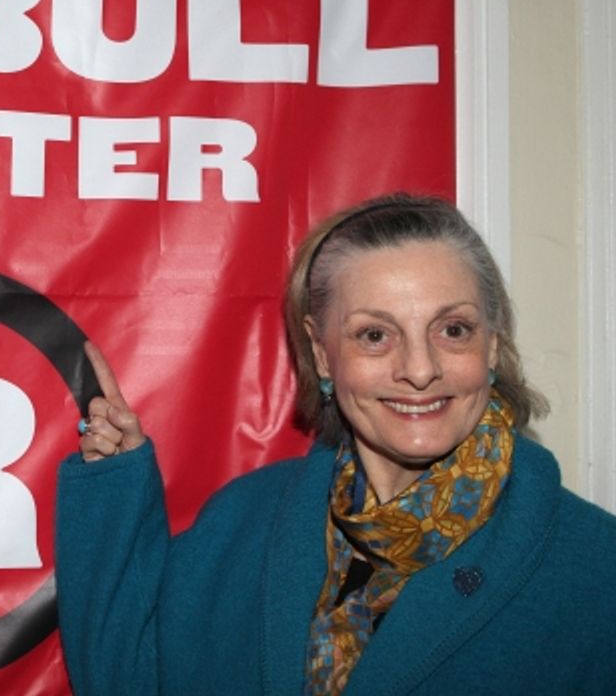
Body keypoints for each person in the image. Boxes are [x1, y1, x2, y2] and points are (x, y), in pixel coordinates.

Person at [55, 193, 616, 695]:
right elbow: (128, 679)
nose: (420, 370)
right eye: (375, 335)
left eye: (453, 330)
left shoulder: (597, 569)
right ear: (323, 357)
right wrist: (115, 485)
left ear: (492, 347)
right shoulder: (241, 522)